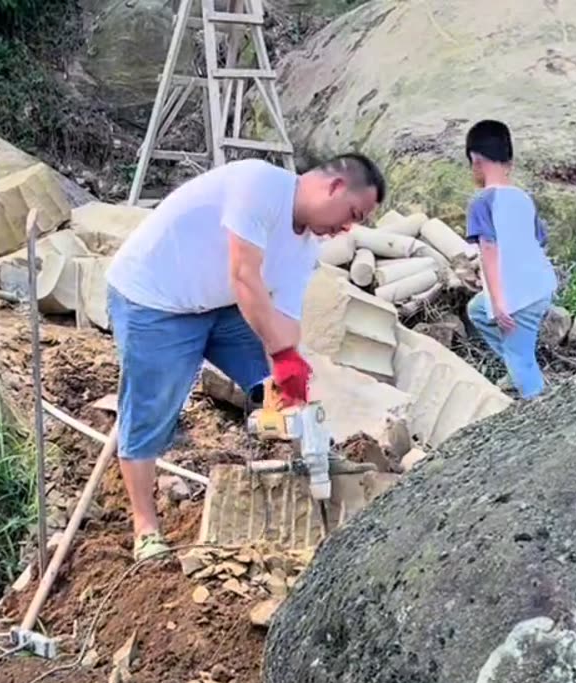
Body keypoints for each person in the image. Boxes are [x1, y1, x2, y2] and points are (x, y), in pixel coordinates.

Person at [104, 154, 385, 560]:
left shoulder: (306, 248)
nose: (346, 229)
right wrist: (282, 354)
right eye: (352, 214)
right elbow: (243, 276)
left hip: (216, 304)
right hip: (155, 300)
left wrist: (292, 380)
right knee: (151, 409)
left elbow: (284, 319)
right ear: (335, 187)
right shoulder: (259, 185)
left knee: (273, 379)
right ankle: (145, 526)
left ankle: (306, 456)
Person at [462, 120, 558, 400]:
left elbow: (489, 253)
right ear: (510, 162)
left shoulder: (481, 202)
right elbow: (539, 240)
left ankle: (538, 406)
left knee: (522, 361)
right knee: (478, 310)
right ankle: (515, 367)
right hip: (539, 287)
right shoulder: (523, 198)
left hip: (518, 297)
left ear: (475, 161)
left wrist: (501, 302)